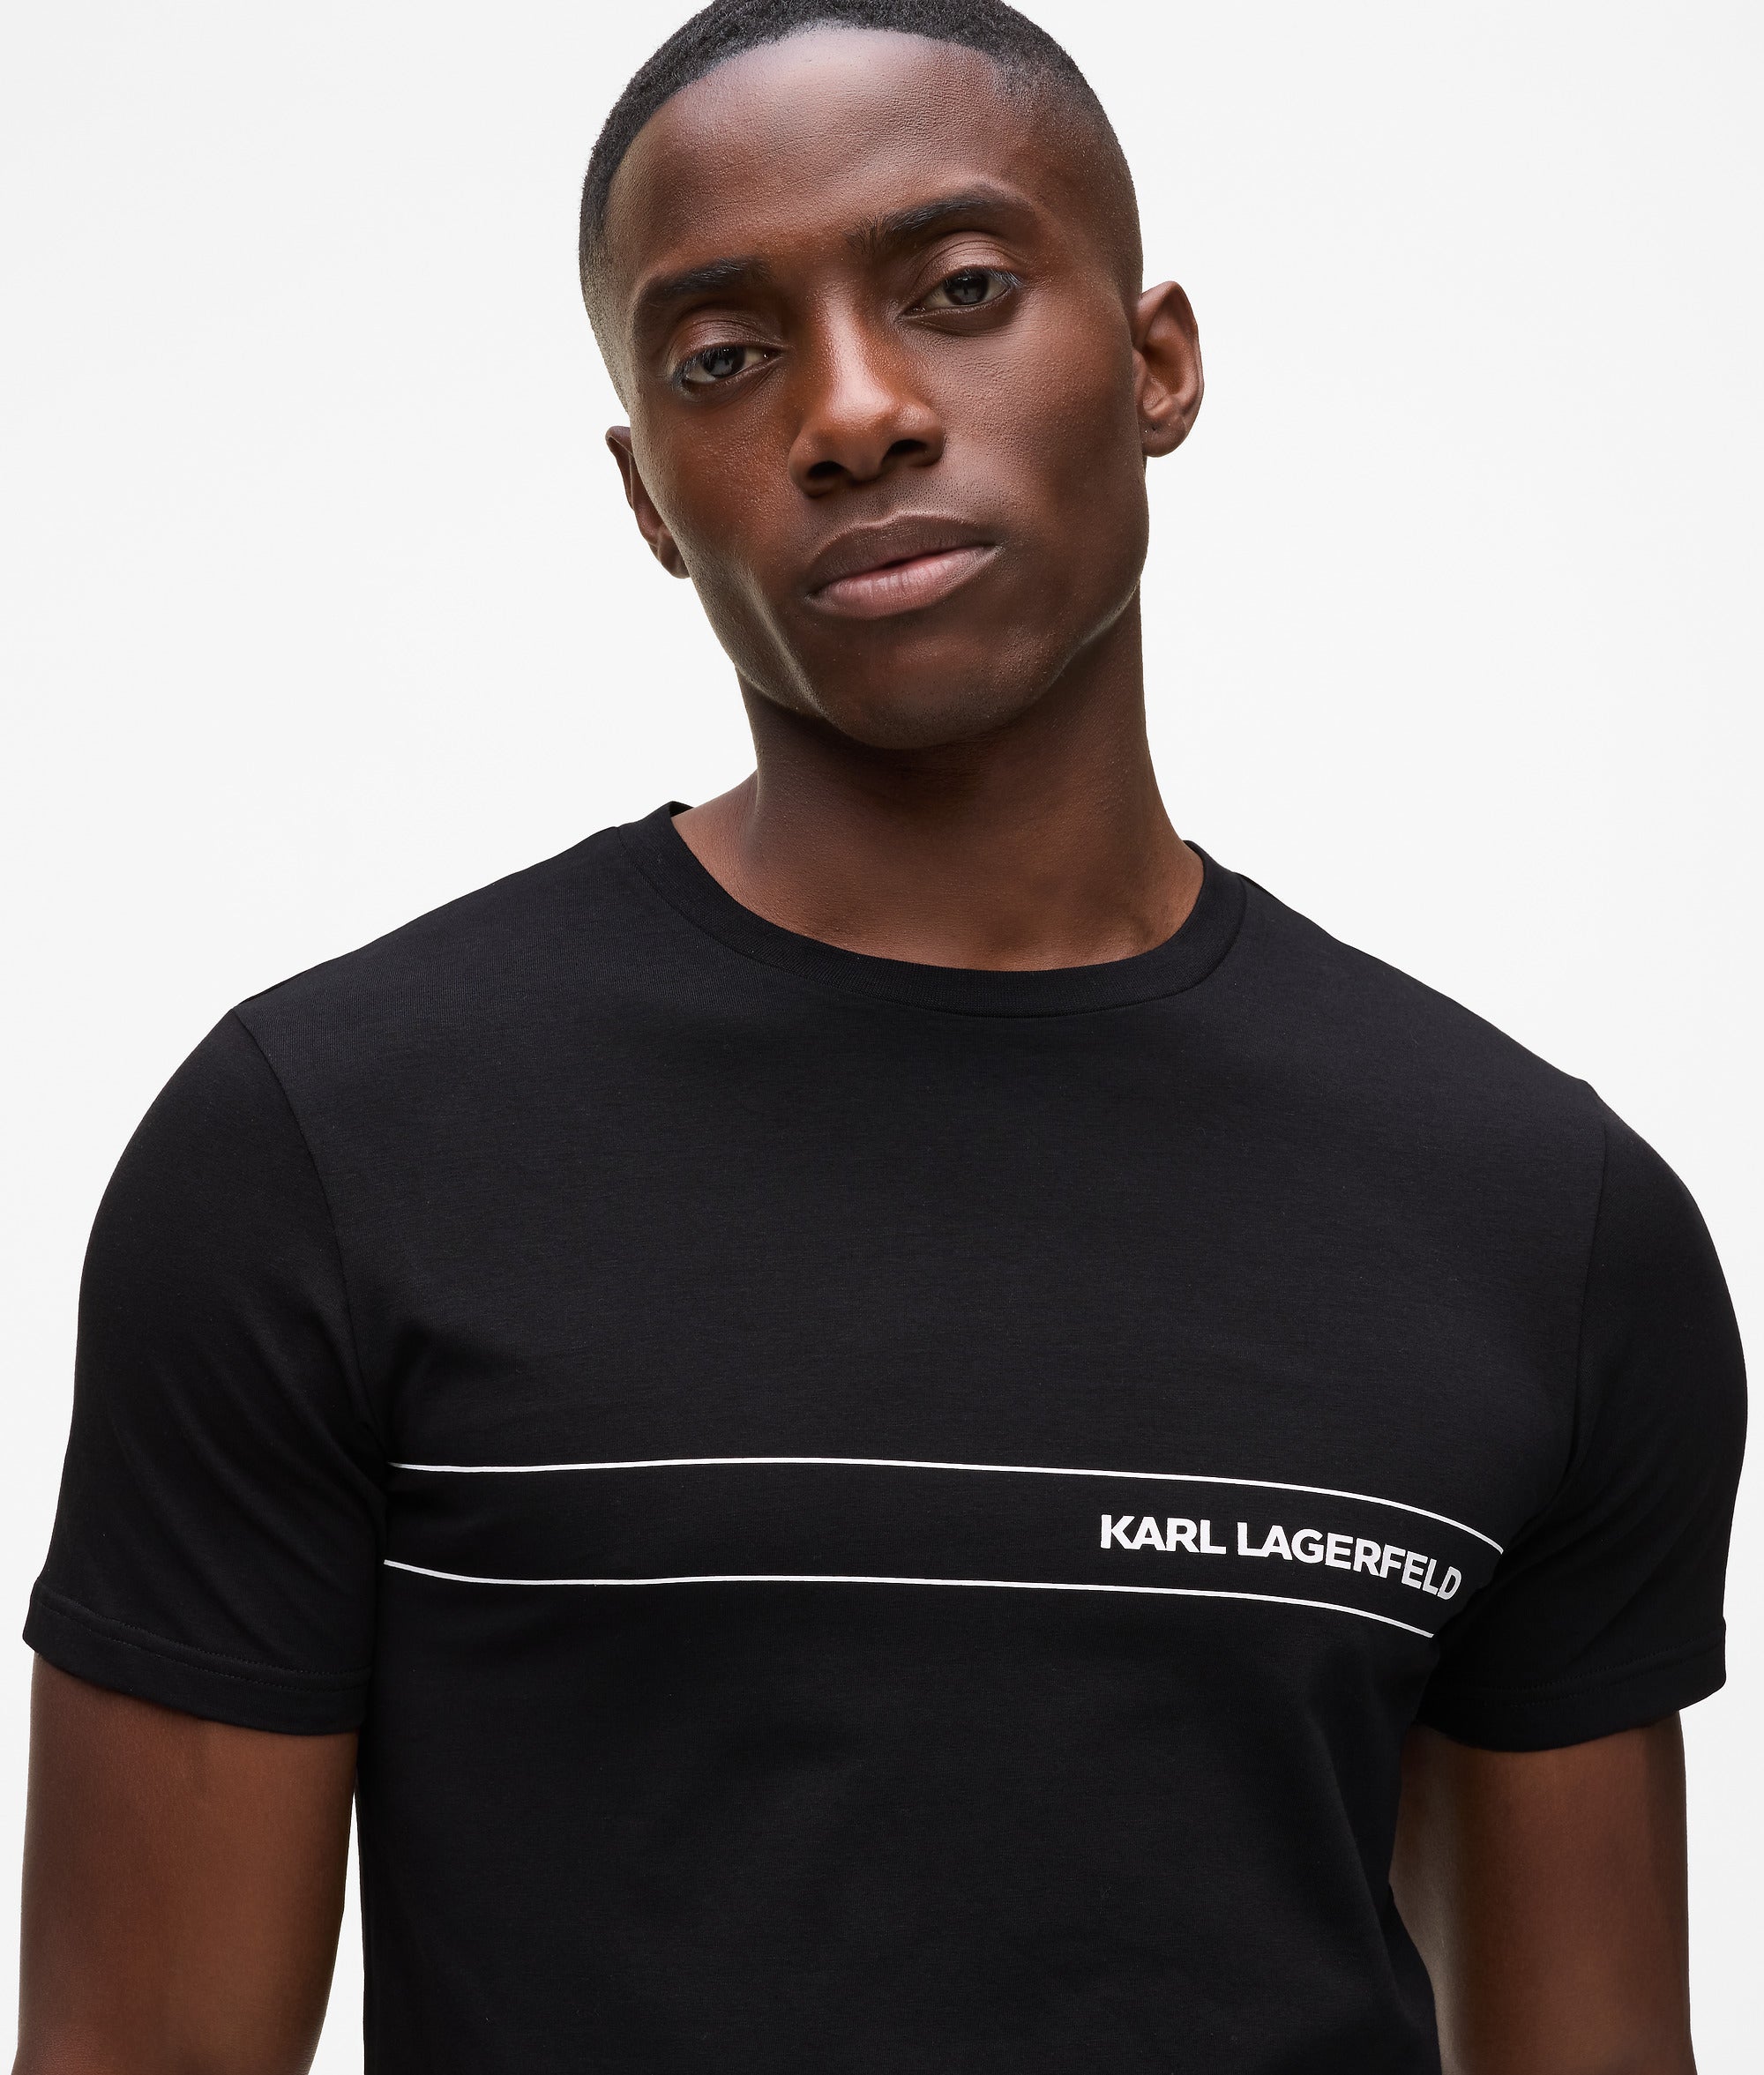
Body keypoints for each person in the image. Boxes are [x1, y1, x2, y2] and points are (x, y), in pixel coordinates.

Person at [13, 1, 1745, 2069]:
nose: (852, 412)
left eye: (961, 289)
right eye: (720, 356)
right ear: (649, 494)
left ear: (1157, 361)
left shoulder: (1543, 1226)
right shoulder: (324, 1149)